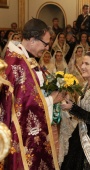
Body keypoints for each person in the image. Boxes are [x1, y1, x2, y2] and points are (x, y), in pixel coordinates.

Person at [0, 18, 64, 170]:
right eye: (45, 43)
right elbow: (22, 106)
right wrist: (51, 100)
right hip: (19, 135)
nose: (48, 47)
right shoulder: (17, 64)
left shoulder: (26, 59)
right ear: (33, 39)